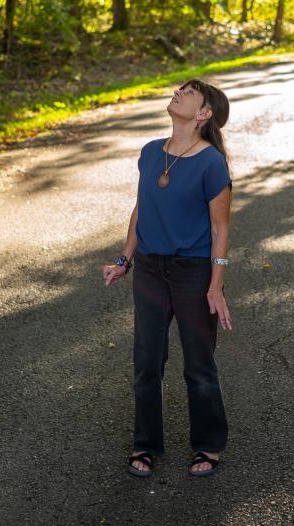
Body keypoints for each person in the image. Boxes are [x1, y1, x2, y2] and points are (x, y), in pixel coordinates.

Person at [102, 77, 234, 479]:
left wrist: (215, 285)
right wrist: (125, 260)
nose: (178, 92)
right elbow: (141, 210)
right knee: (146, 362)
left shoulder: (212, 163)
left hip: (193, 272)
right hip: (151, 272)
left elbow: (220, 230)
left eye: (188, 93)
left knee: (198, 364)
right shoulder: (149, 153)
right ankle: (146, 445)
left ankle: (208, 445)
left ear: (204, 113)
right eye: (180, 88)